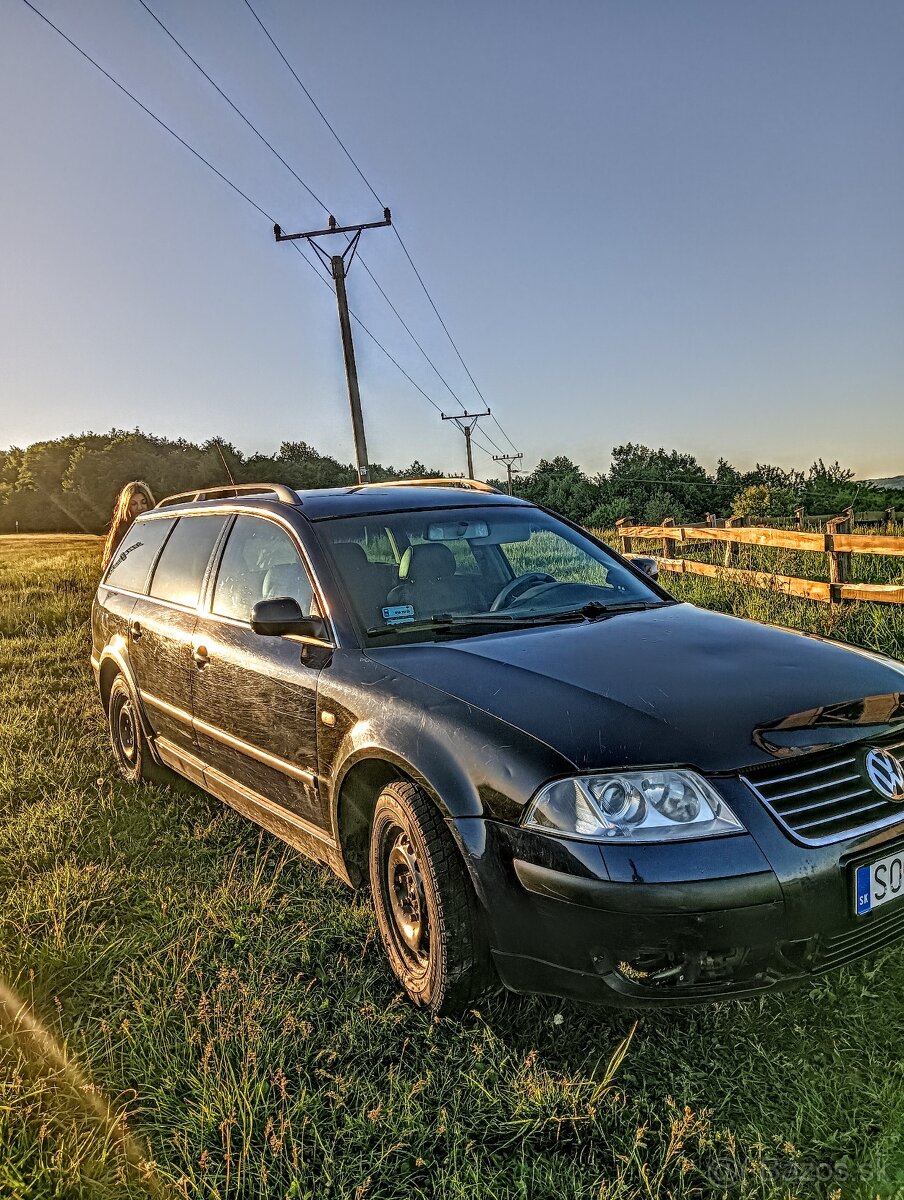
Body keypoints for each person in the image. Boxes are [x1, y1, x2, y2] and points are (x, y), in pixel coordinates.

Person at [101, 480, 156, 570]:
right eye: (134, 504)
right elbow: (109, 566)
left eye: (143, 502)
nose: (140, 507)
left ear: (149, 503)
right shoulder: (120, 532)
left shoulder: (159, 527)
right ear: (126, 507)